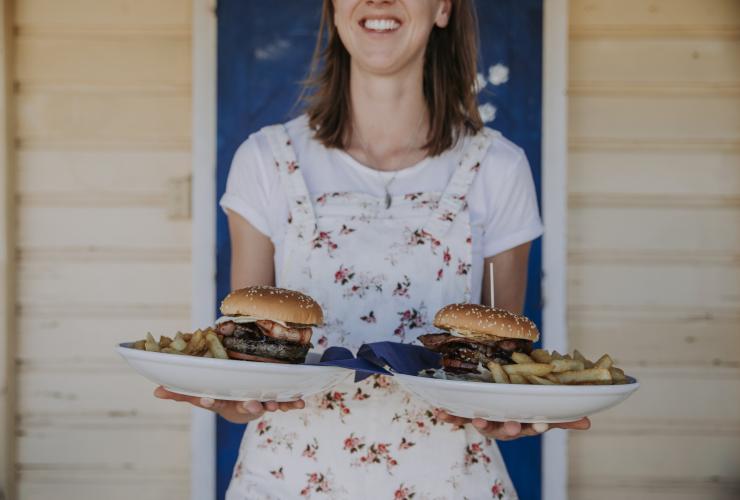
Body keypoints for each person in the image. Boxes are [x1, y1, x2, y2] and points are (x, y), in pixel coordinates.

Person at [155, 0, 589, 498]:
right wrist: (225, 395)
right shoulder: (266, 160)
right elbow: (249, 375)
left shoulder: (499, 168)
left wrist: (514, 412)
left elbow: (497, 369)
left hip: (451, 482)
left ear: (443, 8)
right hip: (286, 481)